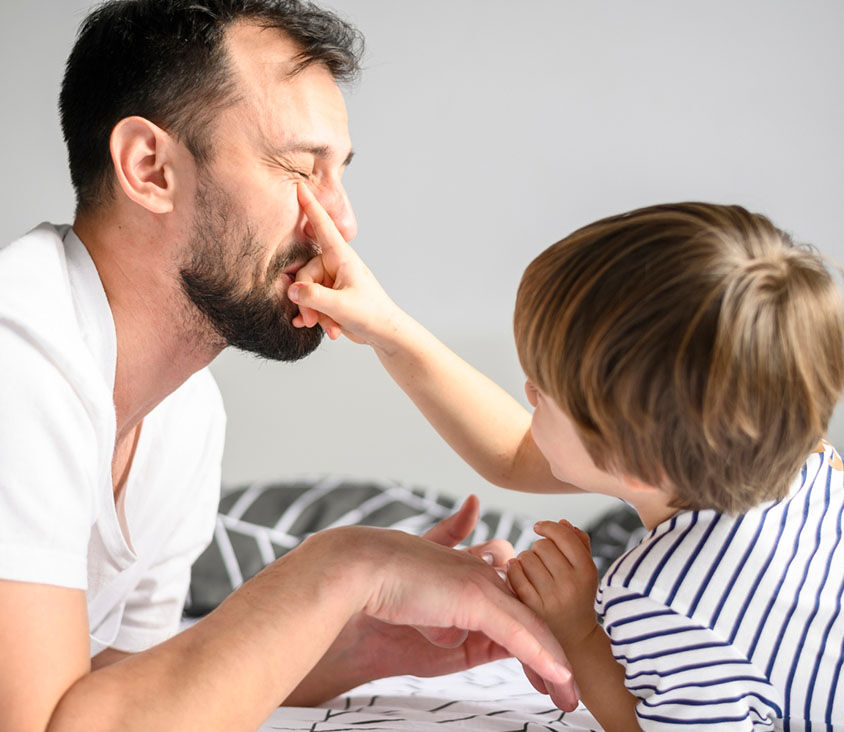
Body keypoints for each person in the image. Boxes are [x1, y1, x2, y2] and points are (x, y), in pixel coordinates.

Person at [0, 1, 580, 730]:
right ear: (149, 169)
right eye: (299, 170)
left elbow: (114, 693)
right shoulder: (16, 360)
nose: (340, 222)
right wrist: (341, 569)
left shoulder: (184, 415)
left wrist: (345, 643)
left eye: (338, 174)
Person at [289, 192, 844, 730]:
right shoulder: (812, 465)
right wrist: (384, 326)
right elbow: (513, 452)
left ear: (635, 464)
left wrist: (579, 631)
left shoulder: (665, 600)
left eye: (545, 393)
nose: (527, 392)